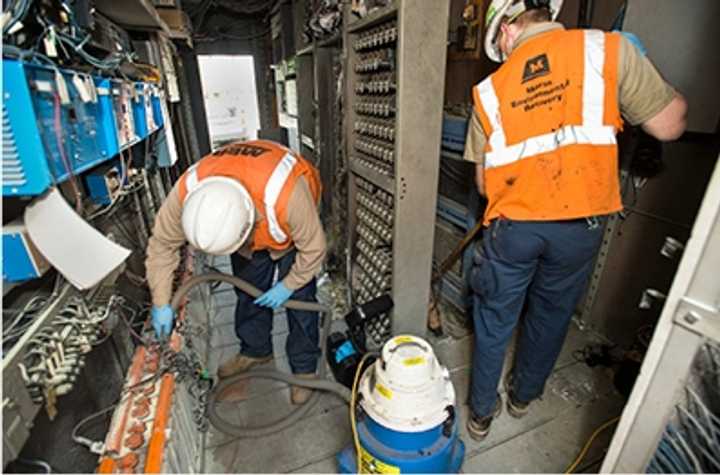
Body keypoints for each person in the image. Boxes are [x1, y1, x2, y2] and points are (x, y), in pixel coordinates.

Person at [464, 0, 687, 440]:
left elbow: (485, 185)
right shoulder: (607, 50)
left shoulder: (489, 91)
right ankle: (524, 397)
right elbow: (672, 124)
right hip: (579, 227)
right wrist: (644, 71)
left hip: (514, 228)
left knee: (494, 317)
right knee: (551, 314)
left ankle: (481, 414)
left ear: (506, 30)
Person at [145, 139, 326, 405]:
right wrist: (161, 302)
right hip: (255, 208)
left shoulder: (288, 195)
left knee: (300, 301)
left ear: (249, 223)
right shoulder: (187, 192)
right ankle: (255, 350)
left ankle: (304, 367)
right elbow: (162, 245)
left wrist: (288, 284)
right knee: (248, 289)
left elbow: (314, 248)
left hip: (289, 225)